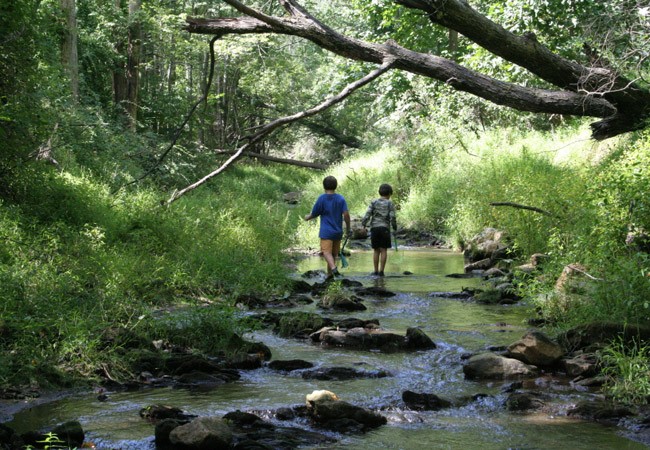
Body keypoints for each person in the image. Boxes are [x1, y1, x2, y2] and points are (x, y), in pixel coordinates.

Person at [304, 175, 351, 279]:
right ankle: (330, 276)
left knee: (326, 252)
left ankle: (334, 269)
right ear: (336, 186)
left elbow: (315, 213)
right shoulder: (341, 199)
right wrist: (348, 228)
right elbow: (346, 215)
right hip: (337, 232)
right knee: (333, 255)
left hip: (326, 232)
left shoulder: (322, 198)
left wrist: (307, 217)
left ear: (324, 186)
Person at [361, 183, 397, 276]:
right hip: (385, 228)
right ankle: (382, 271)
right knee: (383, 250)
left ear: (379, 192)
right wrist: (394, 227)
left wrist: (364, 223)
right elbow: (392, 217)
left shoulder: (374, 202)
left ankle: (375, 270)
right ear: (389, 193)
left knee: (376, 250)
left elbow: (368, 214)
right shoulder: (390, 203)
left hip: (374, 228)